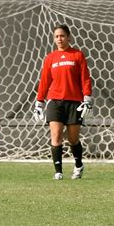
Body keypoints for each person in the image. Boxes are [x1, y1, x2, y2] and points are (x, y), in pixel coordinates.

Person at [33, 24, 93, 180]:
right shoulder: (50, 58)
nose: (59, 39)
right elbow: (44, 81)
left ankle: (78, 165)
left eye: (62, 36)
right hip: (55, 102)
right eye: (56, 36)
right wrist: (39, 101)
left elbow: (85, 78)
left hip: (74, 102)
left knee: (73, 139)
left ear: (68, 37)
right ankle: (58, 171)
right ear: (54, 39)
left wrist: (87, 98)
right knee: (56, 135)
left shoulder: (78, 55)